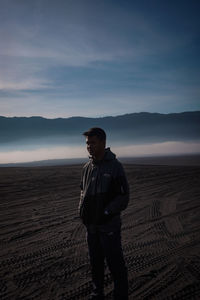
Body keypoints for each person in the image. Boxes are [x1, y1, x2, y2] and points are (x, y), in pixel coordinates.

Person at [78, 127, 129, 300]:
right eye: (87, 143)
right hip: (91, 227)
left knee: (115, 264)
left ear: (103, 143)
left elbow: (123, 197)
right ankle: (96, 293)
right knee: (96, 263)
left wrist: (106, 212)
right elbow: (82, 192)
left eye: (93, 142)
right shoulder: (87, 167)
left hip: (109, 227)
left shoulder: (115, 167)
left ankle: (120, 296)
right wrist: (82, 211)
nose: (89, 147)